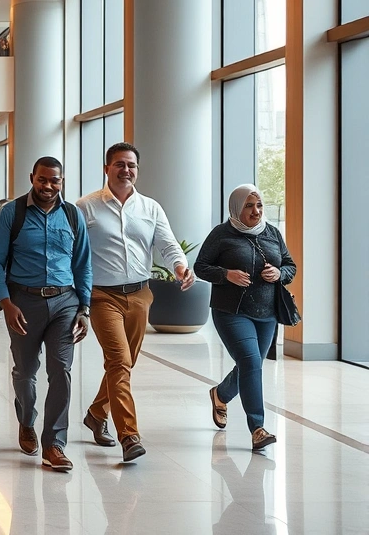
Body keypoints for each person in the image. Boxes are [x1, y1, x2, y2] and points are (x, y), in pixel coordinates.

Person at [75, 143, 195, 461]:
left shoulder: (150, 208)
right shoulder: (85, 207)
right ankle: (128, 436)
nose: (126, 170)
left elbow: (168, 245)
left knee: (124, 365)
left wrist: (181, 267)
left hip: (140, 295)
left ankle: (96, 414)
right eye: (119, 164)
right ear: (106, 168)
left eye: (131, 165)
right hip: (102, 296)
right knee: (118, 362)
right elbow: (73, 253)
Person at [0, 157, 91, 472]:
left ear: (62, 181)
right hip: (23, 302)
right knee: (25, 370)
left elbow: (83, 264)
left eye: (55, 181)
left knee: (61, 370)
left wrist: (85, 308)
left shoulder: (73, 215)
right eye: (43, 180)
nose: (48, 186)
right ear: (32, 177)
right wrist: (6, 303)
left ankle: (54, 444)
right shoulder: (11, 214)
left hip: (65, 303)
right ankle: (27, 420)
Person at [195, 184, 295, 451]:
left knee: (250, 365)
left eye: (259, 205)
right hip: (231, 311)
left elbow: (290, 265)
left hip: (267, 313)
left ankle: (220, 394)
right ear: (237, 208)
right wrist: (226, 274)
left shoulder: (272, 232)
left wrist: (279, 273)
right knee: (251, 361)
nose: (256, 211)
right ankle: (257, 428)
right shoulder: (222, 234)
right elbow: (200, 266)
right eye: (249, 206)